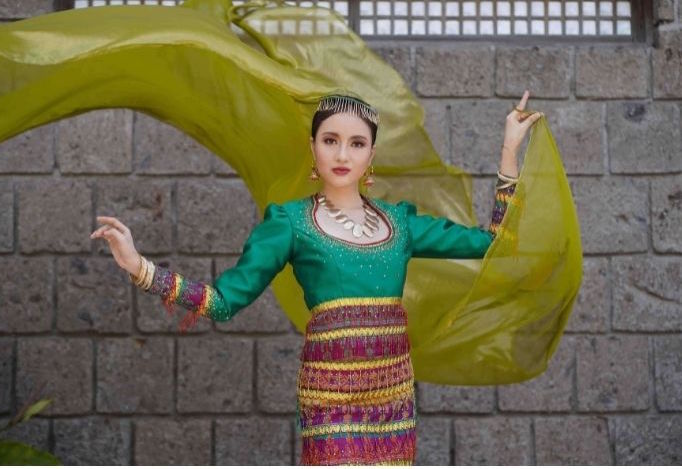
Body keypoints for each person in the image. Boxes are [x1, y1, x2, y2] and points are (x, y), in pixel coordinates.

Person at [90, 92, 542, 465]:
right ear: (313, 147)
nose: (342, 154)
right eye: (330, 140)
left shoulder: (400, 223)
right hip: (330, 400)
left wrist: (509, 152)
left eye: (356, 143)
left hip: (392, 400)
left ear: (371, 155)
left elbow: (493, 242)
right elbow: (224, 302)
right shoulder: (289, 223)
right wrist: (140, 268)